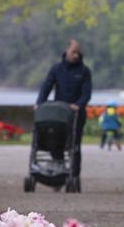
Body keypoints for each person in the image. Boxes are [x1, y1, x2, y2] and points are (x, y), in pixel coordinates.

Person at [36, 39, 92, 178]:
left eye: (78, 53)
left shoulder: (84, 71)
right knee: (54, 139)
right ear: (67, 51)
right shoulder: (56, 69)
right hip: (58, 113)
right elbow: (46, 87)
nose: (76, 56)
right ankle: (58, 166)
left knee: (75, 144)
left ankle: (74, 175)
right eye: (73, 52)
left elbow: (86, 94)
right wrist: (39, 103)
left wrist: (78, 105)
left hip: (76, 114)